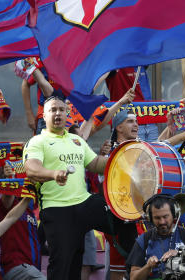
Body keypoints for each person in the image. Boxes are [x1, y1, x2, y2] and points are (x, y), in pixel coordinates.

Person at [23, 96, 134, 280]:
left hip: (84, 203)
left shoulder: (77, 141)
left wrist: (125, 162)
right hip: (57, 210)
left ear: (67, 114)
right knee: (65, 267)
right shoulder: (37, 142)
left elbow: (96, 163)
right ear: (44, 115)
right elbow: (31, 168)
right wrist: (53, 174)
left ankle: (136, 264)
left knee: (123, 212)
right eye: (53, 110)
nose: (58, 113)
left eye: (61, 109)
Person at [126, 195, 185, 280]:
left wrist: (181, 255)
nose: (162, 222)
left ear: (174, 215)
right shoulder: (144, 240)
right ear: (150, 218)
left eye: (165, 216)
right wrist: (148, 267)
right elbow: (133, 278)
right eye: (157, 218)